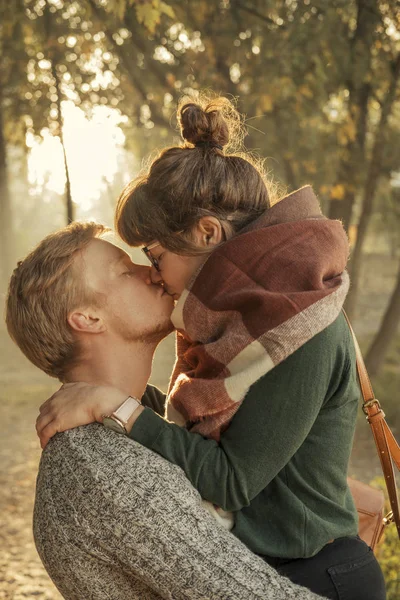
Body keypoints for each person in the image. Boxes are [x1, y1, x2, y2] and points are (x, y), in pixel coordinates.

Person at [35, 95, 386, 600]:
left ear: (206, 232)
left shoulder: (299, 324)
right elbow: (216, 429)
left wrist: (119, 409)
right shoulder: (242, 315)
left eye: (156, 256)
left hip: (318, 576)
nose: (154, 274)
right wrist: (118, 396)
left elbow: (230, 480)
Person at [5, 221, 324, 600]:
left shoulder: (123, 426)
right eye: (125, 272)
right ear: (88, 319)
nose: (153, 272)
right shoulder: (106, 467)